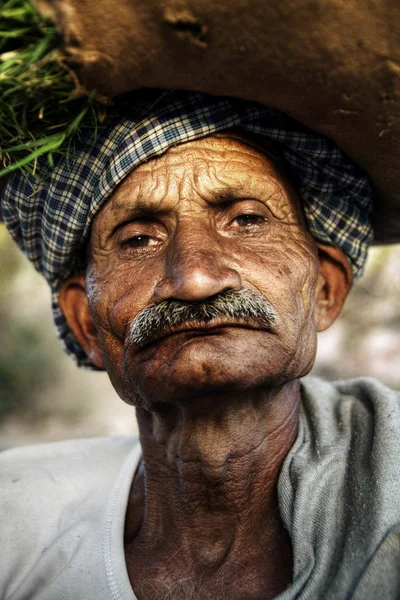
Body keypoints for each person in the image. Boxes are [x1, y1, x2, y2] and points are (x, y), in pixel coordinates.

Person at [1, 89, 399, 600]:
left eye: (248, 220)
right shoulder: (16, 517)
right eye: (138, 239)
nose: (193, 278)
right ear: (87, 324)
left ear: (324, 288)